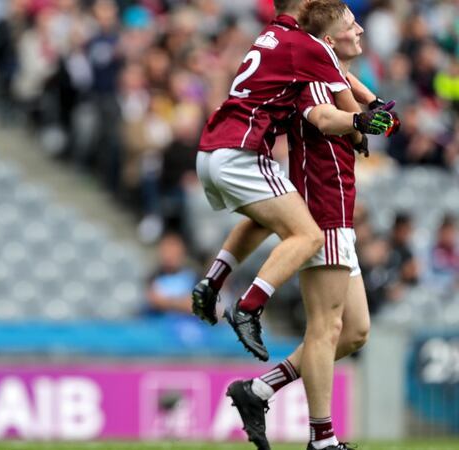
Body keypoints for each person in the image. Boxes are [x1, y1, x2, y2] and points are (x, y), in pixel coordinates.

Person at [191, 0, 394, 362]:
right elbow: (339, 105)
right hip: (243, 149)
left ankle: (212, 280)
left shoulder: (273, 37)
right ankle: (249, 307)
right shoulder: (308, 45)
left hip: (211, 150)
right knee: (308, 234)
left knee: (266, 219)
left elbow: (343, 77)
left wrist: (374, 99)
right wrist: (363, 126)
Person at [223, 2, 380, 449]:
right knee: (325, 328)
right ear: (330, 39)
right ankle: (322, 439)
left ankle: (258, 390)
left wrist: (367, 108)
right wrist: (358, 122)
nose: (360, 29)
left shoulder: (331, 73)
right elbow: (323, 117)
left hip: (340, 214)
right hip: (322, 207)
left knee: (354, 332)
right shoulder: (312, 77)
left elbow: (362, 107)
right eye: (351, 25)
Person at [145, 232, 199, 315]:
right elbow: (153, 301)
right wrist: (181, 302)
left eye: (173, 250)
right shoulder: (153, 277)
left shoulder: (193, 277)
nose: (169, 255)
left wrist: (166, 302)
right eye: (166, 250)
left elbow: (195, 305)